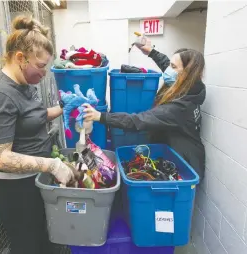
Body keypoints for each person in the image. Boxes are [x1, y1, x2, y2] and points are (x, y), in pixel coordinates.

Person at [0, 15, 74, 254]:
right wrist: (50, 164)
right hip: (14, 191)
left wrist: (65, 108)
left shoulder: (23, 86)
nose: (44, 74)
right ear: (20, 58)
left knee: (46, 239)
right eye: (40, 67)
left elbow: (32, 117)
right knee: (28, 245)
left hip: (33, 182)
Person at [83, 38, 206, 179]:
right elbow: (168, 64)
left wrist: (100, 116)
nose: (168, 70)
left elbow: (138, 120)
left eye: (173, 67)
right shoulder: (192, 89)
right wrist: (151, 52)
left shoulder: (179, 109)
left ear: (186, 74)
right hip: (184, 152)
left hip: (186, 166)